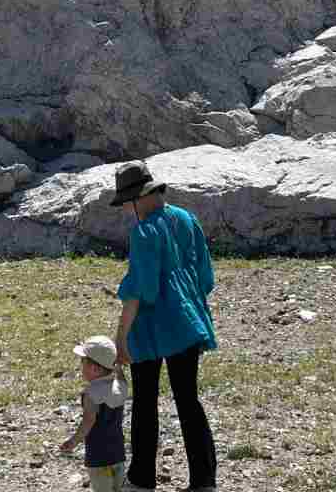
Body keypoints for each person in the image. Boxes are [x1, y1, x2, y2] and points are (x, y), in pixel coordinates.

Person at [110, 161, 217, 492]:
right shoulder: (186, 219)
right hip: (188, 321)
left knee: (145, 400)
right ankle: (204, 481)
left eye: (128, 203)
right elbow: (205, 278)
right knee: (188, 400)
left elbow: (140, 291)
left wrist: (120, 337)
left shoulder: (144, 231)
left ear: (138, 197)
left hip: (151, 328)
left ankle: (142, 479)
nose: (129, 210)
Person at [60, 335, 129, 492]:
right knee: (118, 487)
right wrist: (116, 365)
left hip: (98, 455)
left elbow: (88, 421)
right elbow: (121, 377)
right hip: (118, 452)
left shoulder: (91, 394)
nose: (81, 366)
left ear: (95, 369)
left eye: (83, 362)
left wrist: (73, 441)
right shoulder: (121, 386)